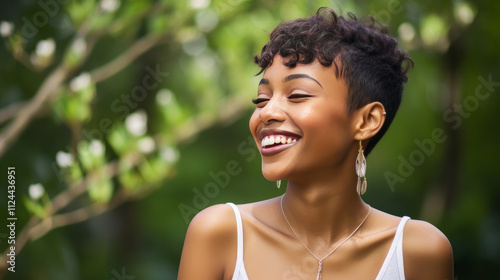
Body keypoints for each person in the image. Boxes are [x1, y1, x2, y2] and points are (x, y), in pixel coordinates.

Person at [178, 7, 453, 280]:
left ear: (367, 121)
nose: (266, 112)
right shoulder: (220, 234)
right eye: (262, 99)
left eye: (296, 95)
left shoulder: (418, 252)